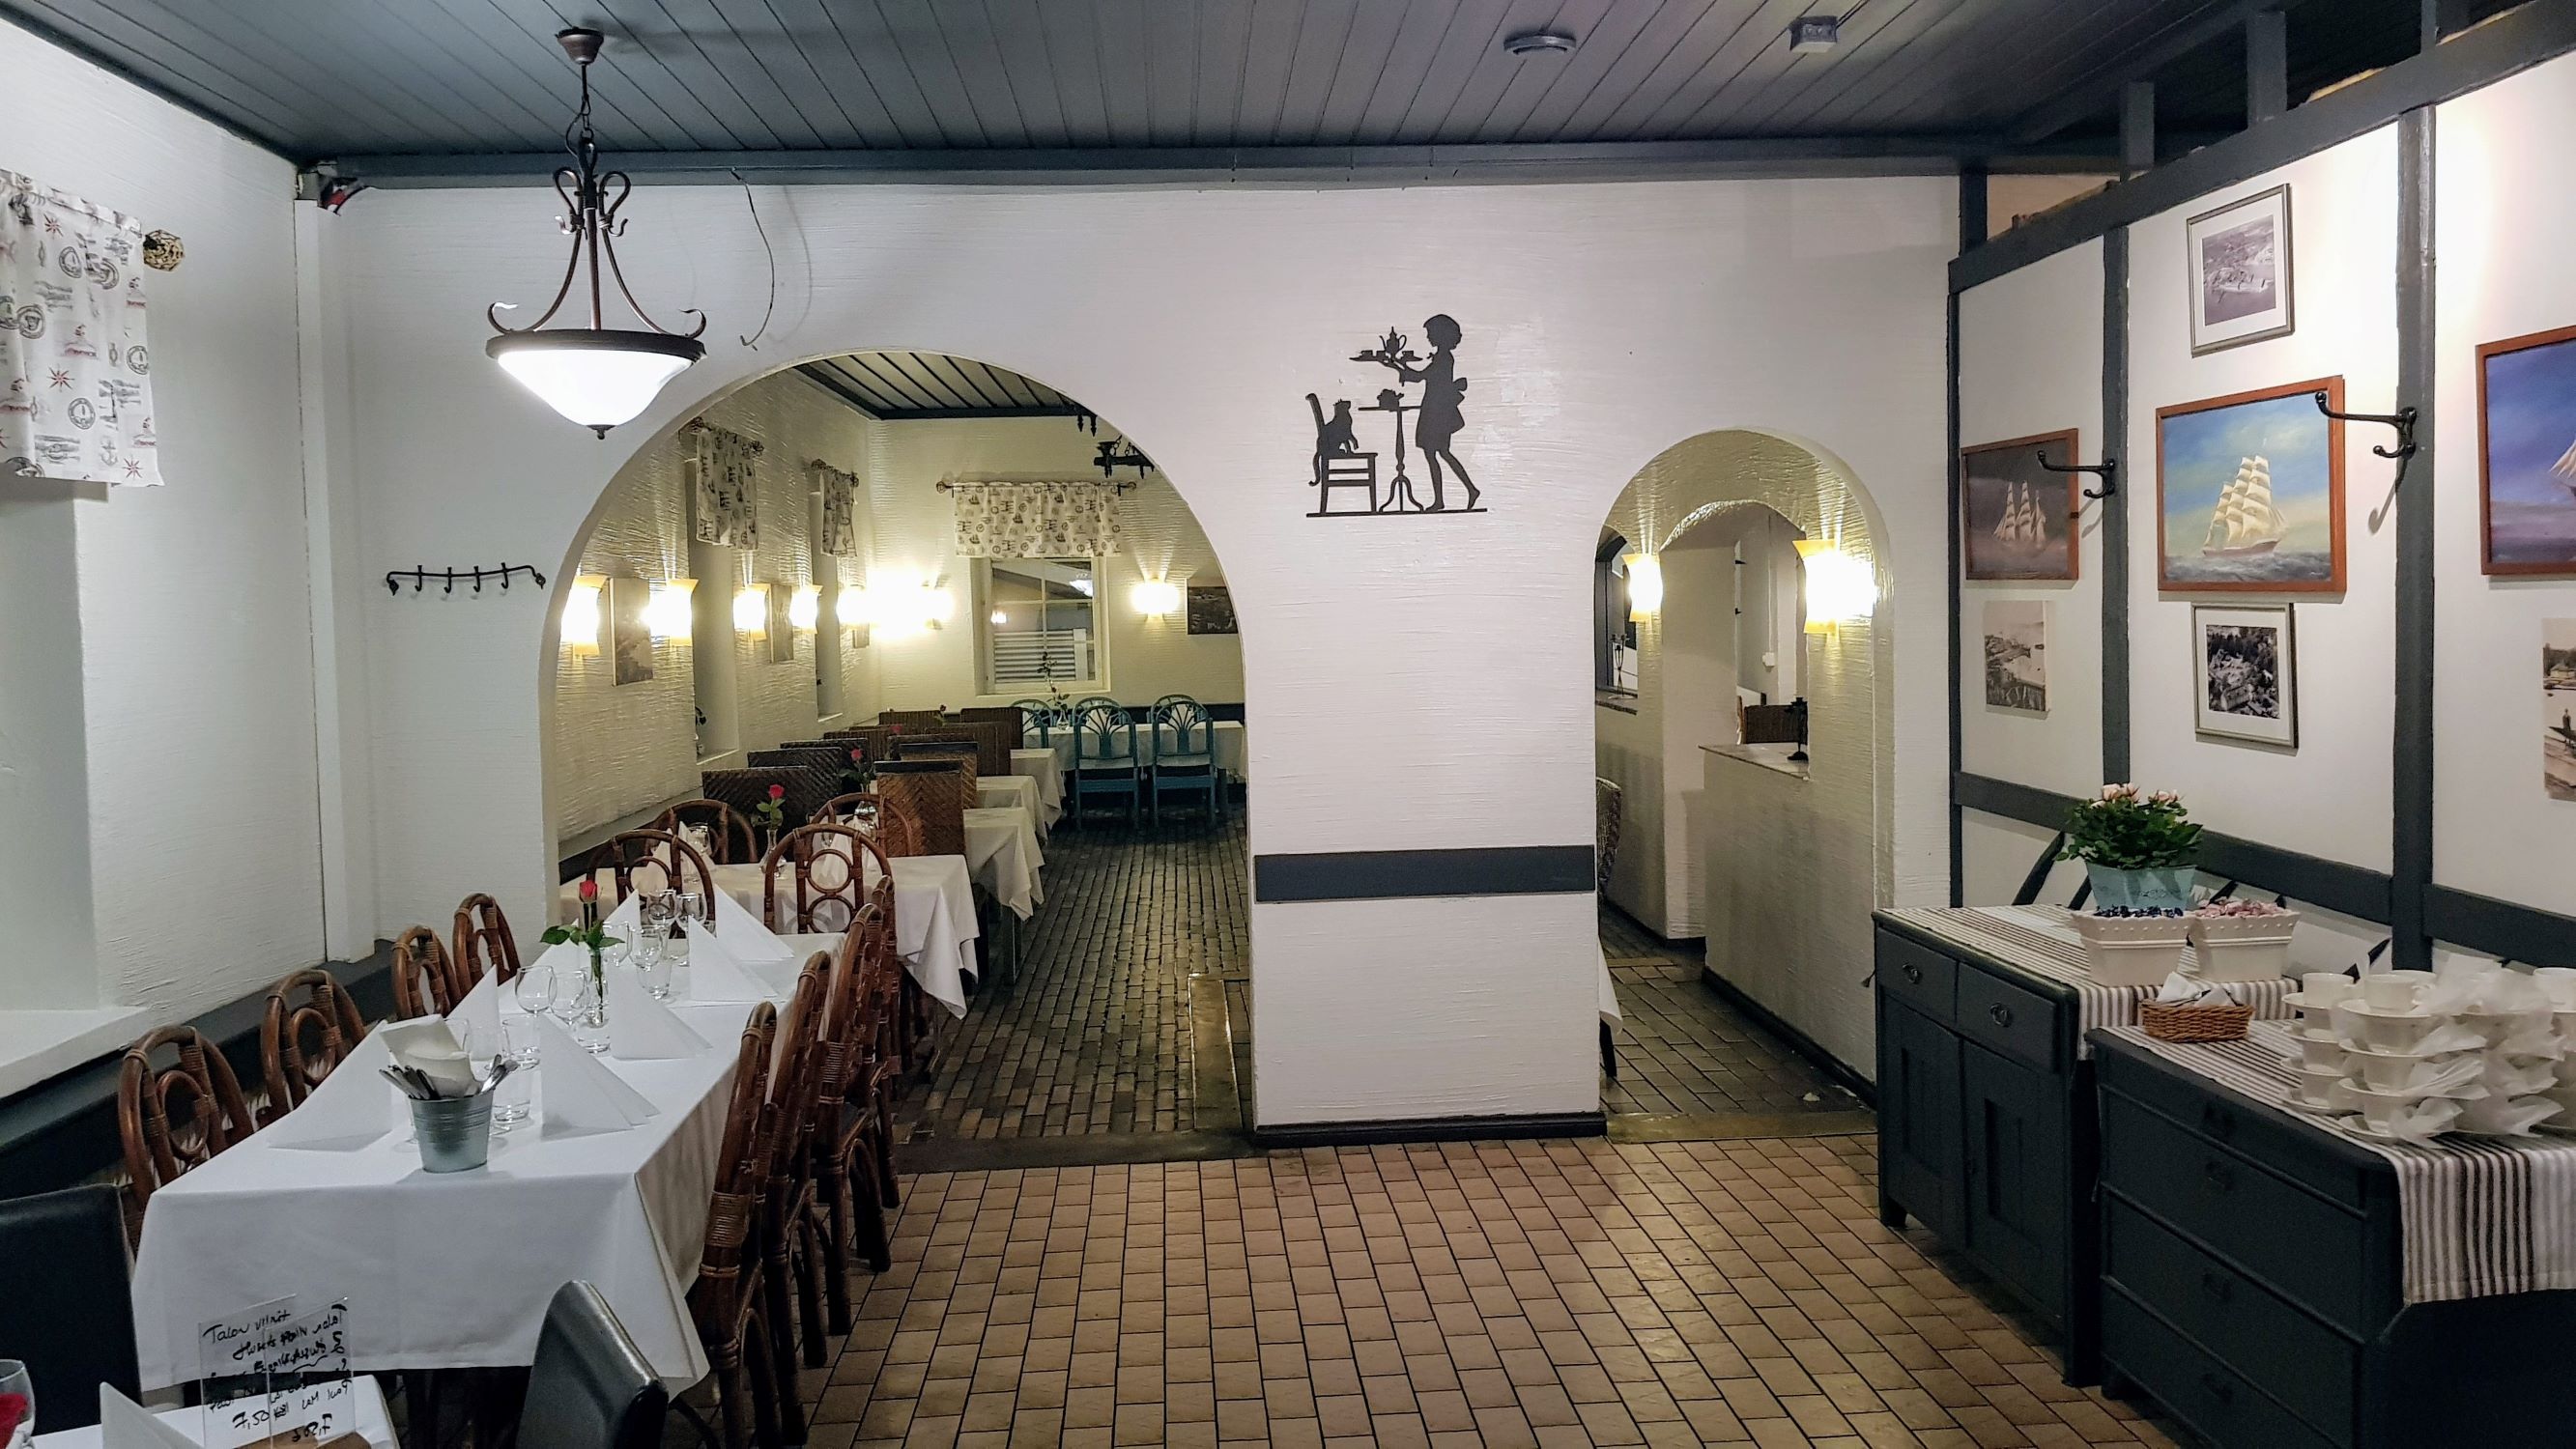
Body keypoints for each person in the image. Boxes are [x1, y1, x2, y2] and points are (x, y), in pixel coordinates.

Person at [1376, 314, 1478, 511]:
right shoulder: (1441, 357)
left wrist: (1395, 365)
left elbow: (1420, 376)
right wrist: (1396, 364)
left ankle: (1458, 494)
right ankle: (1461, 492)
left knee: (1437, 453)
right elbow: (1420, 376)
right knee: (1439, 453)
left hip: (1437, 413)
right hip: (1435, 410)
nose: (1428, 337)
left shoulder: (1443, 358)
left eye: (1430, 333)